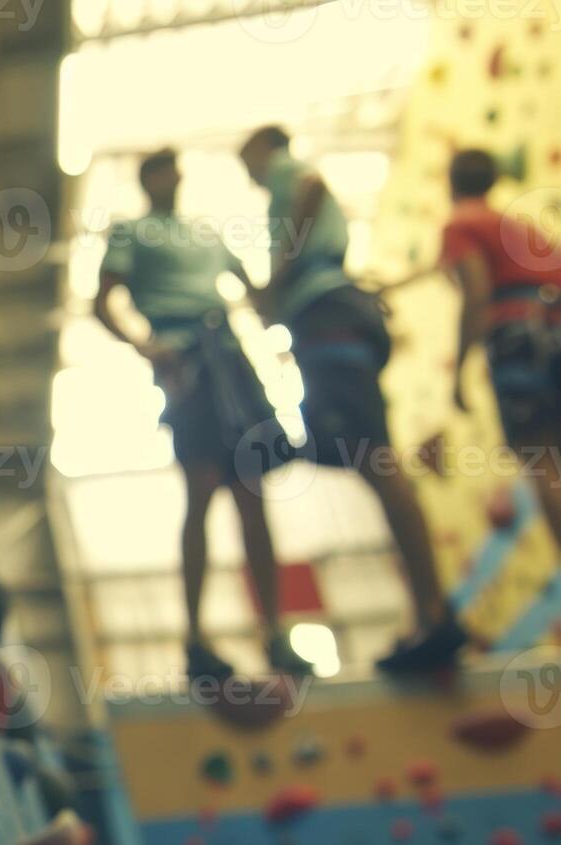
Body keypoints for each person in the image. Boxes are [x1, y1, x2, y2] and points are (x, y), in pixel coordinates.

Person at [238, 125, 465, 674]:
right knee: (366, 457)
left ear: (264, 148)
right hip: (329, 322)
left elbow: (312, 187)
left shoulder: (286, 173)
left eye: (248, 157)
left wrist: (278, 279)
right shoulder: (286, 189)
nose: (248, 168)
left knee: (376, 463)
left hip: (328, 316)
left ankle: (434, 615)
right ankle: (429, 614)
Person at [95, 149, 310, 682]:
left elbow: (258, 294)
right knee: (201, 488)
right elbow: (100, 302)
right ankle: (194, 638)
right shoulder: (130, 233)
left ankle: (275, 632)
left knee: (251, 493)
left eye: (176, 168)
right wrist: (146, 348)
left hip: (231, 358)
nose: (174, 177)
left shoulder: (208, 235)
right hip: (186, 362)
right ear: (148, 180)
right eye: (164, 169)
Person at [439, 149, 561, 549]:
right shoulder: (519, 226)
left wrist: (459, 372)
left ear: (451, 183)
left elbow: (476, 293)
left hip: (522, 338)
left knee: (545, 461)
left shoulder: (459, 225)